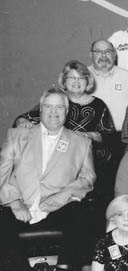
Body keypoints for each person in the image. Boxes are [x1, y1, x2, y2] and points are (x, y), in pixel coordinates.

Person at [0, 88, 96, 271]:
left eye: (59, 107)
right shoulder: (17, 136)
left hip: (58, 207)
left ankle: (63, 267)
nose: (54, 112)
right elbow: (1, 173)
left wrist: (64, 196)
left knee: (81, 213)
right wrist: (14, 202)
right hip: (19, 205)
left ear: (66, 112)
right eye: (48, 107)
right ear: (41, 109)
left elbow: (88, 177)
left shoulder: (81, 142)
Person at [16, 61, 115, 203]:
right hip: (59, 158)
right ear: (64, 81)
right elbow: (25, 118)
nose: (76, 82)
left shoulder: (99, 105)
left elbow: (109, 137)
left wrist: (88, 136)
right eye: (71, 78)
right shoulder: (57, 100)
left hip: (93, 160)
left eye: (81, 78)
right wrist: (22, 122)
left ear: (87, 81)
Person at [89, 39, 128, 132]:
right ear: (91, 55)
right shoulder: (81, 77)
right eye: (98, 52)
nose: (103, 56)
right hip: (90, 138)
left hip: (124, 138)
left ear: (114, 54)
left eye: (108, 51)